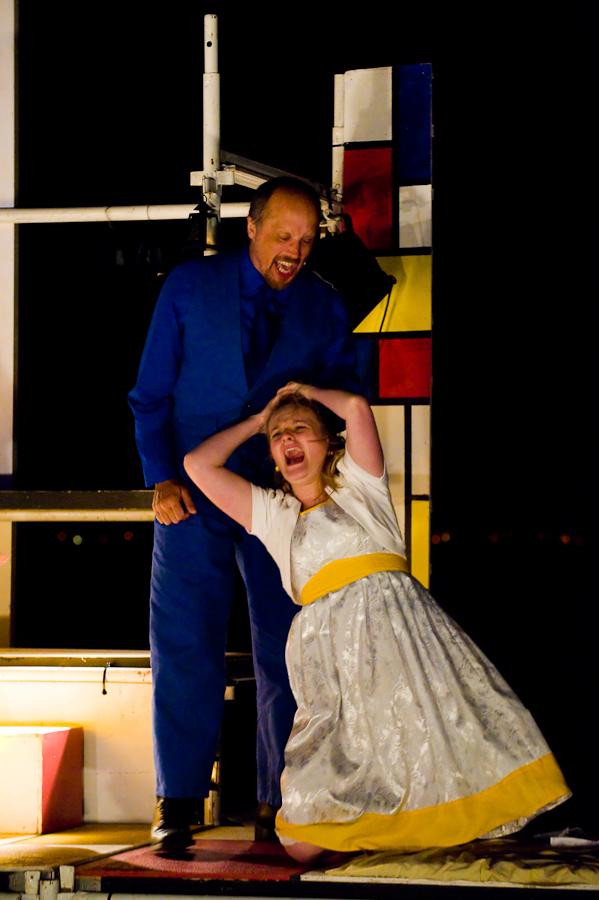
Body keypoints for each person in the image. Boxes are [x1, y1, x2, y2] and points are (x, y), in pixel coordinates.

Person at [183, 382, 571, 864]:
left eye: (300, 429)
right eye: (279, 437)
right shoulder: (275, 514)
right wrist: (262, 420)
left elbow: (355, 407)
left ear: (329, 443)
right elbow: (197, 465)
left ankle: (421, 831)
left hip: (400, 642)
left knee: (434, 756)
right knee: (301, 842)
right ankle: (377, 828)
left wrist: (304, 392)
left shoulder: (359, 483)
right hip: (331, 666)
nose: (288, 439)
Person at [128, 178, 358, 847]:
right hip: (191, 496)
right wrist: (161, 478)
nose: (295, 251)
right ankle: (177, 802)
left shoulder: (325, 303)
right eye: (283, 235)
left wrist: (315, 476)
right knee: (184, 645)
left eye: (307, 240)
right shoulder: (188, 286)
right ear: (251, 226)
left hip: (281, 503)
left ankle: (279, 800)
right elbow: (149, 396)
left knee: (288, 649)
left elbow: (345, 398)